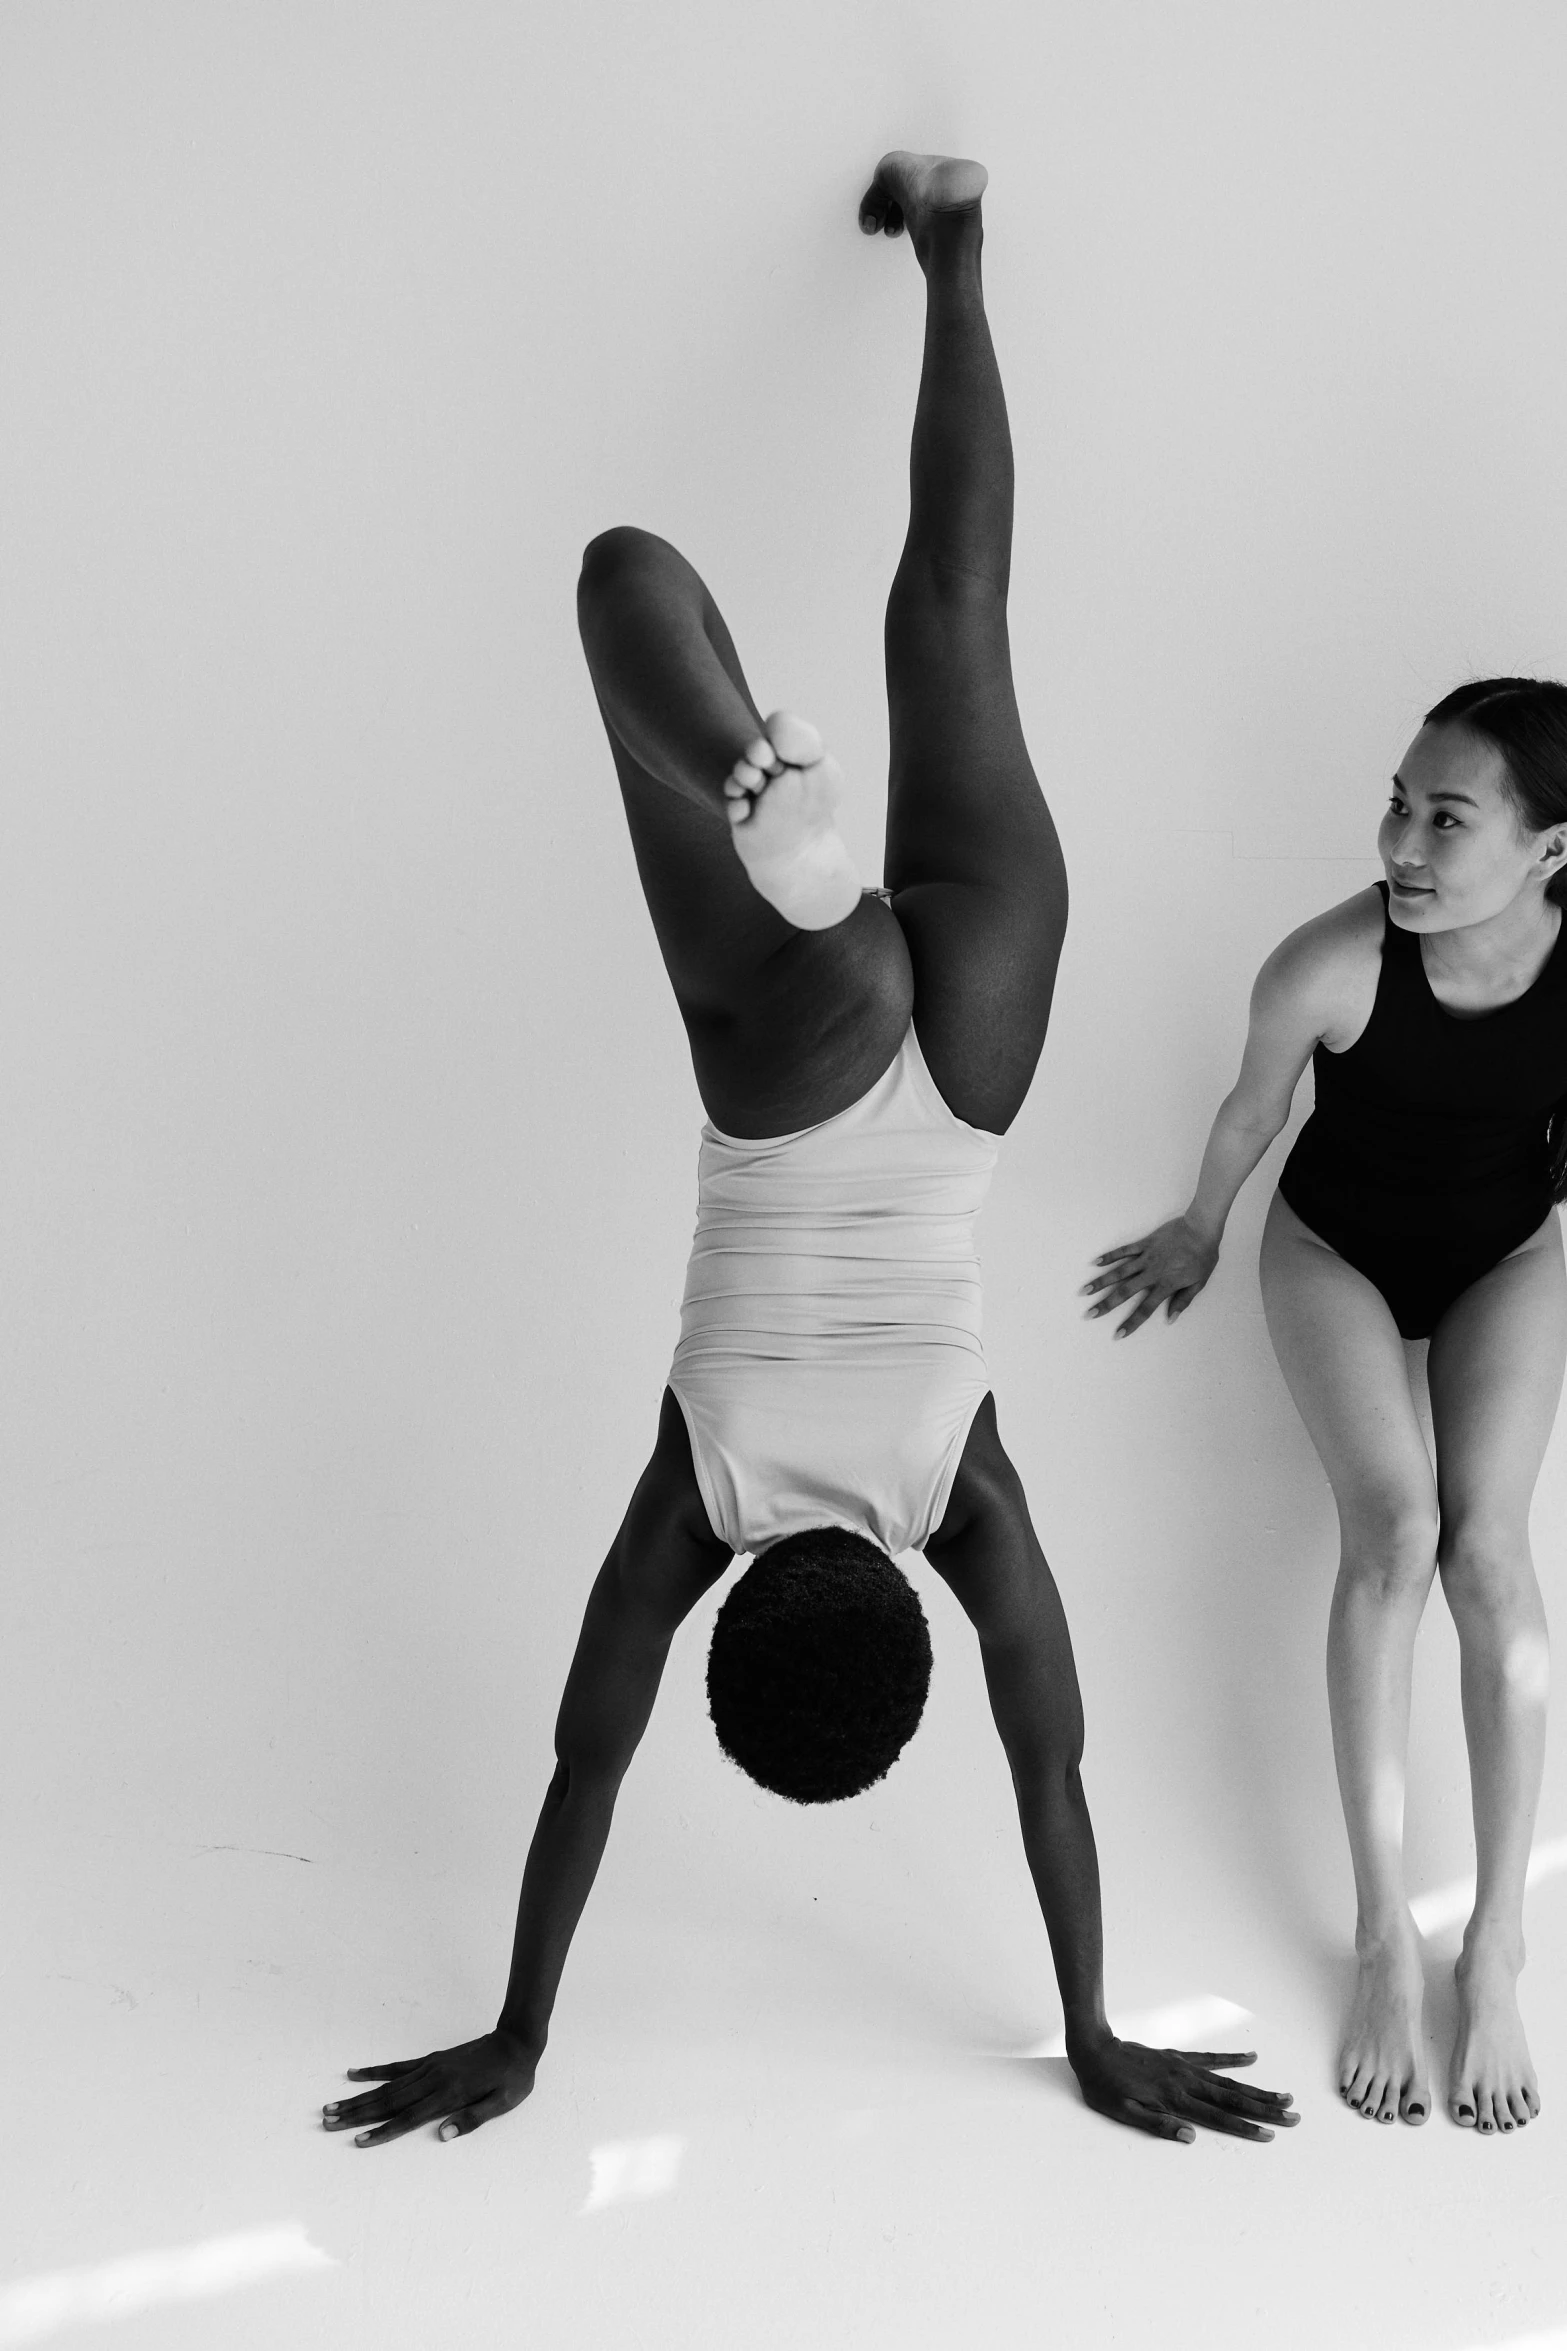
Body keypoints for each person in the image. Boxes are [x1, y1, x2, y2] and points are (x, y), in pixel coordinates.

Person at [321, 151, 1296, 2152]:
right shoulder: (699, 1491)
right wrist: (514, 2028)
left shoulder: (973, 1505)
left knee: (957, 607)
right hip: (805, 1053)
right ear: (737, 1612)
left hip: (982, 1048)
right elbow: (585, 1761)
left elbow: (1055, 1769)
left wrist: (1098, 2021)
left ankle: (955, 246)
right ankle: (740, 772)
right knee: (619, 582)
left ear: (909, 1624)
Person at [1086, 679, 1567, 2136]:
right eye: (1395, 803)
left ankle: (1492, 1944)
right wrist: (1196, 1226)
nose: (1400, 844)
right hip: (1334, 1251)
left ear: (1552, 847)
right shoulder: (1328, 962)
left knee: (1492, 1557)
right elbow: (1251, 1110)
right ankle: (1379, 1933)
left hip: (1506, 1255)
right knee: (1394, 1533)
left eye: (1445, 817)